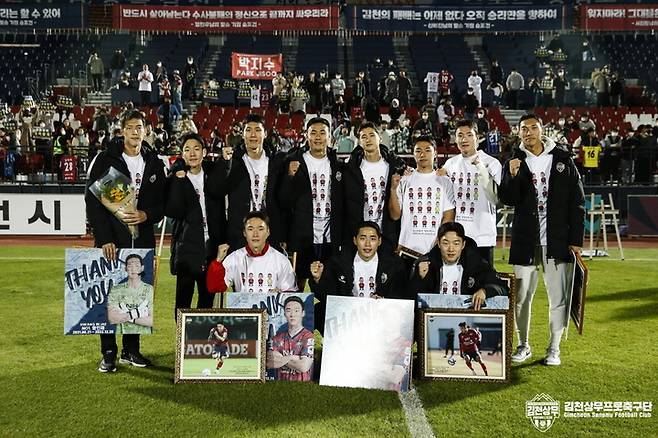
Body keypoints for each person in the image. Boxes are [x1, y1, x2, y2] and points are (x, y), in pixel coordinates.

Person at [499, 113, 585, 366]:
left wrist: (576, 240)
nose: (528, 132)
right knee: (522, 295)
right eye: (523, 129)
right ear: (519, 132)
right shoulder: (514, 161)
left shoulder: (562, 159)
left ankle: (554, 348)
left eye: (533, 128)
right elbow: (508, 198)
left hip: (556, 239)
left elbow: (577, 203)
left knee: (558, 296)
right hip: (526, 238)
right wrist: (512, 176)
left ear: (541, 130)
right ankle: (523, 344)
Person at [85, 109, 165, 372]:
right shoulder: (105, 159)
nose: (134, 132)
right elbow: (93, 201)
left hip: (142, 240)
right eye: (129, 127)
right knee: (109, 295)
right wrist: (104, 238)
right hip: (113, 241)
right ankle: (108, 352)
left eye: (139, 127)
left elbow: (161, 203)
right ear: (122, 131)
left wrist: (147, 214)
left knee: (136, 295)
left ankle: (132, 350)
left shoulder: (153, 161)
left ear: (145, 130)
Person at [278, 117, 344, 291]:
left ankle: (322, 317)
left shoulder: (337, 165)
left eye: (323, 133)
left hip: (329, 237)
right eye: (313, 132)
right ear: (306, 136)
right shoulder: (293, 161)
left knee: (328, 285)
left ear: (330, 137)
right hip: (302, 235)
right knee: (296, 285)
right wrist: (290, 177)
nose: (318, 137)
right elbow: (283, 200)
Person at [165, 134, 226, 315]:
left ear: (204, 152)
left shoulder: (212, 175)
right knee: (182, 303)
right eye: (187, 149)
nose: (192, 153)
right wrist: (177, 180)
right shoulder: (177, 177)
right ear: (182, 154)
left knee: (207, 301)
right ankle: (182, 342)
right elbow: (172, 211)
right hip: (187, 247)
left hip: (211, 247)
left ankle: (200, 341)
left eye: (196, 149)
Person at [309, 221, 408, 332]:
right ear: (355, 240)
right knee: (317, 309)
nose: (367, 244)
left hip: (380, 317)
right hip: (348, 317)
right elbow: (328, 298)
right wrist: (318, 279)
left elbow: (401, 296)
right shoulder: (339, 262)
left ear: (379, 241)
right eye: (362, 238)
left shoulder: (394, 264)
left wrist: (384, 303)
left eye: (373, 238)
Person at [207, 114, 286, 250]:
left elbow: (283, 199)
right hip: (239, 235)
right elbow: (215, 190)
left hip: (269, 233)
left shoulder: (276, 162)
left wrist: (281, 234)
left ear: (265, 134)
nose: (253, 134)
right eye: (248, 130)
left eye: (257, 130)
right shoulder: (234, 161)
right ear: (243, 134)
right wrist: (224, 164)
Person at [389, 136, 455, 272]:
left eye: (427, 150)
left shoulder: (445, 182)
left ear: (435, 153)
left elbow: (448, 216)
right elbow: (395, 215)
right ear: (413, 154)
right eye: (418, 150)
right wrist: (393, 190)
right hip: (406, 249)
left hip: (433, 251)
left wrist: (439, 242)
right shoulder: (404, 180)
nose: (422, 154)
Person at [442, 120, 502, 265]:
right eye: (460, 135)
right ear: (455, 139)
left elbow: (497, 199)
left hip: (483, 236)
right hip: (457, 238)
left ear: (477, 137)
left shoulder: (492, 163)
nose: (464, 139)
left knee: (483, 282)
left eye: (469, 135)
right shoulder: (450, 164)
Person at [408, 222, 508, 308]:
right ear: (438, 243)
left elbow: (502, 287)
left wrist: (485, 291)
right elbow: (411, 300)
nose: (451, 249)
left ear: (463, 244)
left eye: (456, 244)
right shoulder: (426, 264)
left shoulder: (476, 263)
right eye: (445, 243)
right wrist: (419, 278)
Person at [343, 122, 405, 253]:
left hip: (386, 233)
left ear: (380, 138)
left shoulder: (393, 166)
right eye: (363, 136)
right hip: (360, 234)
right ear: (359, 141)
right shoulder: (351, 168)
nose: (368, 139)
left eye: (371, 135)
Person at [210, 211, 297, 293]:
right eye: (250, 229)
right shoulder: (235, 257)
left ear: (268, 232)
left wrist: (280, 293)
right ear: (244, 233)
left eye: (260, 229)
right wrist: (218, 262)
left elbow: (290, 293)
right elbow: (214, 287)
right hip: (243, 308)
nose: (255, 234)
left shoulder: (281, 260)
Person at [267, 296, 314, 381]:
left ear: (303, 313)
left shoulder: (308, 336)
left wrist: (283, 358)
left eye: (296, 311)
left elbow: (304, 367)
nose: (292, 315)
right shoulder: (278, 337)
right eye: (288, 311)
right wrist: (294, 358)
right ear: (284, 313)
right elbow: (270, 363)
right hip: (280, 383)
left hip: (301, 384)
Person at [107, 254, 153, 335]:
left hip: (144, 333)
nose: (133, 269)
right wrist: (139, 313)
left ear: (142, 268)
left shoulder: (149, 289)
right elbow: (112, 318)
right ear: (125, 268)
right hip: (122, 332)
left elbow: (151, 320)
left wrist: (125, 314)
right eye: (130, 266)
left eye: (137, 266)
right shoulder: (116, 289)